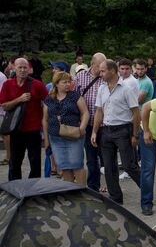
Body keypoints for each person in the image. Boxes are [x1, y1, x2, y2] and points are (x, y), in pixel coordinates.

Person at [91, 60, 140, 204]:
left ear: (112, 71)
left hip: (123, 130)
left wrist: (134, 134)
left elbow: (135, 112)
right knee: (109, 167)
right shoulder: (102, 88)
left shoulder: (126, 88)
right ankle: (115, 198)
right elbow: (99, 111)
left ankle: (147, 191)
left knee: (129, 166)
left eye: (103, 71)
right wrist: (94, 132)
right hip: (106, 130)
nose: (100, 74)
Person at [0, 58, 48, 180]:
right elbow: (4, 106)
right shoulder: (7, 84)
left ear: (29, 69)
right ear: (14, 68)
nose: (22, 70)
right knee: (14, 162)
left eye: (25, 67)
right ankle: (15, 188)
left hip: (33, 129)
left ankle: (33, 190)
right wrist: (19, 100)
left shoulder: (37, 84)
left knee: (35, 163)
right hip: (16, 129)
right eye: (19, 67)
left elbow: (48, 102)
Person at [42, 72, 89, 185]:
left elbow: (85, 113)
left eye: (69, 82)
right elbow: (45, 119)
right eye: (64, 82)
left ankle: (81, 191)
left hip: (74, 135)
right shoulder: (49, 99)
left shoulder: (75, 96)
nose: (68, 84)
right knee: (64, 166)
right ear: (56, 84)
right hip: (56, 137)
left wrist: (82, 128)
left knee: (77, 164)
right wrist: (46, 139)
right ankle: (70, 192)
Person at [75, 52, 106, 192]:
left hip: (105, 125)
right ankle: (93, 187)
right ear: (93, 64)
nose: (103, 68)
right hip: (87, 124)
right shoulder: (80, 76)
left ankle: (111, 186)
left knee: (107, 157)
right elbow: (74, 97)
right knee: (91, 158)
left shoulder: (106, 77)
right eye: (101, 65)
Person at [0, 71, 10, 165]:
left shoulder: (1, 76)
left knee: (5, 134)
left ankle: (8, 156)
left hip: (1, 112)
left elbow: (3, 94)